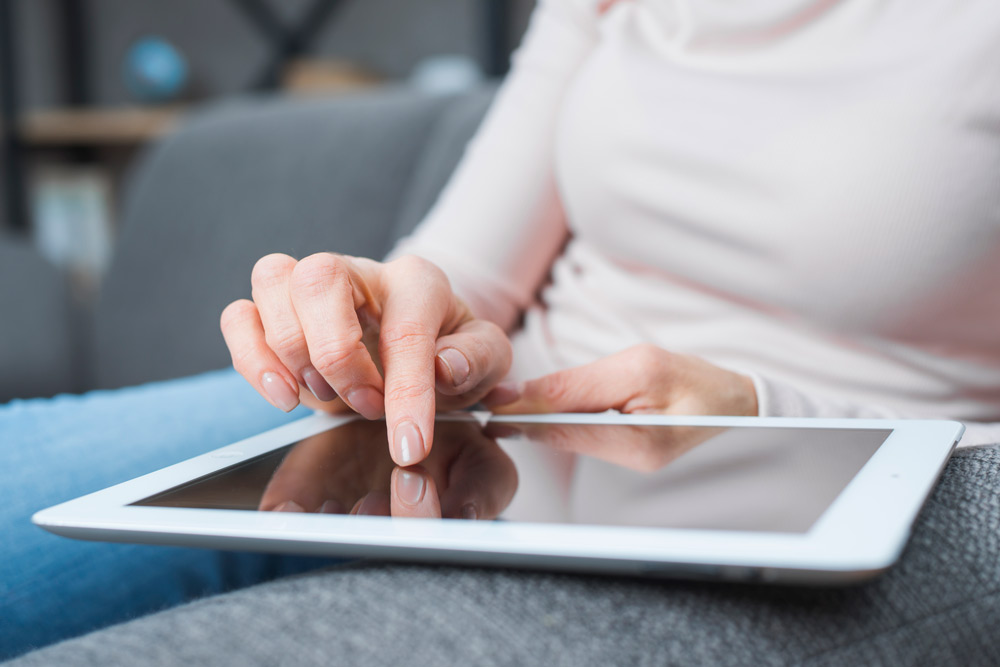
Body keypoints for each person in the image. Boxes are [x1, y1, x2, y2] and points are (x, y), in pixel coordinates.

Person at [3, 0, 999, 660]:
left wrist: (771, 414)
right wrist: (388, 311)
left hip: (816, 488)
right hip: (458, 430)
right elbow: (466, 268)